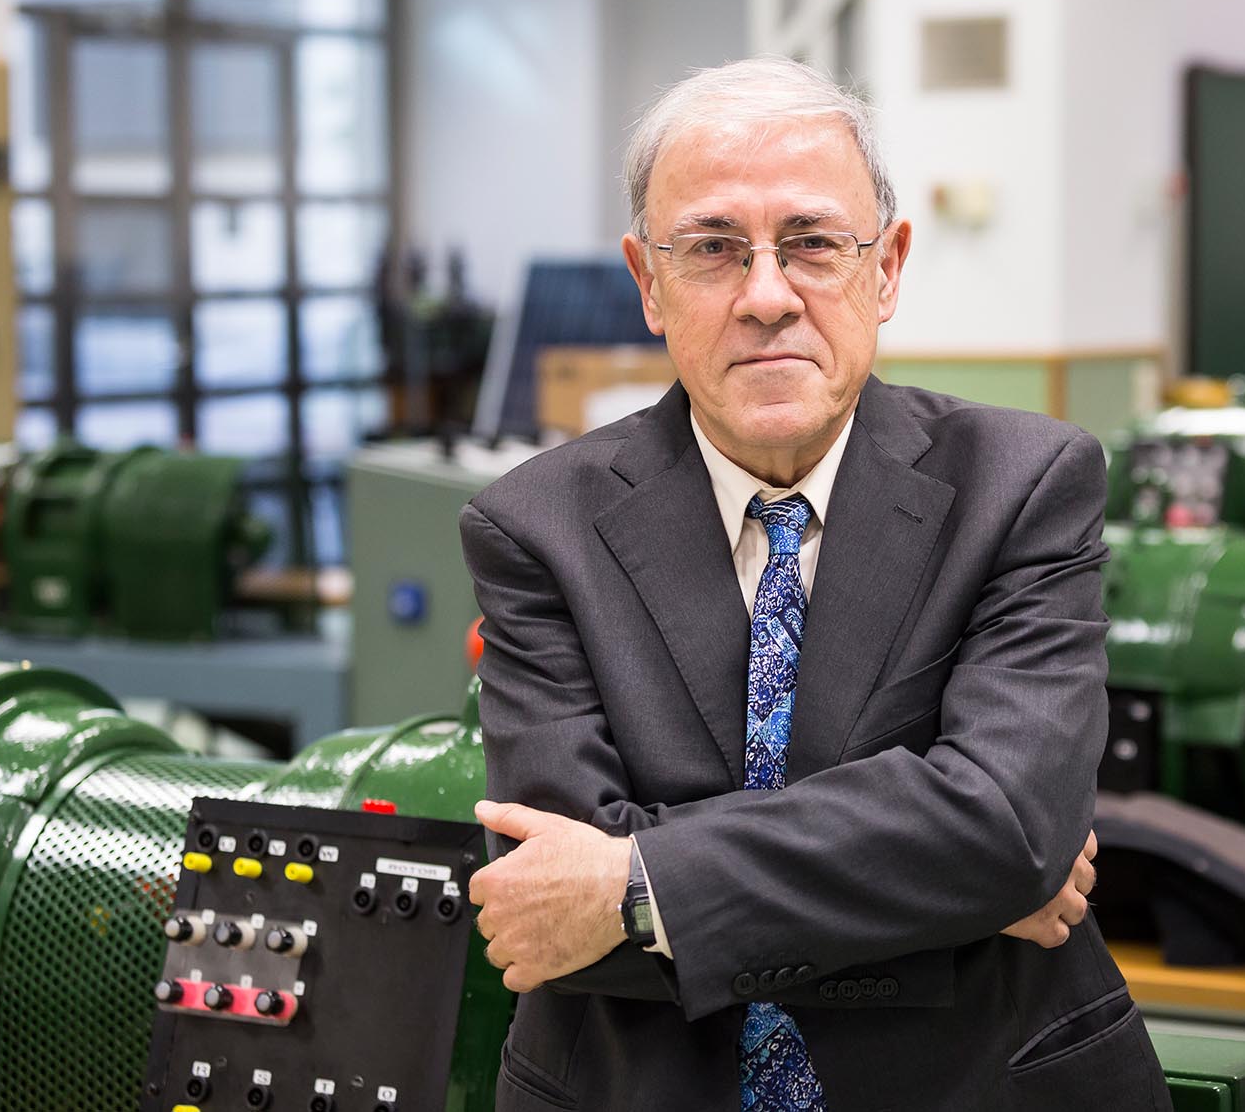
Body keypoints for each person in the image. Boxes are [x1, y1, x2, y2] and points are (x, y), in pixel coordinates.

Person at [459, 56, 1170, 1110]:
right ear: (647, 281)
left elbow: (1011, 822)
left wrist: (641, 883)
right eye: (711, 248)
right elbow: (553, 908)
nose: (766, 295)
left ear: (886, 267)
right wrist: (953, 897)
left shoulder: (1023, 485)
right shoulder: (536, 525)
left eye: (812, 244)